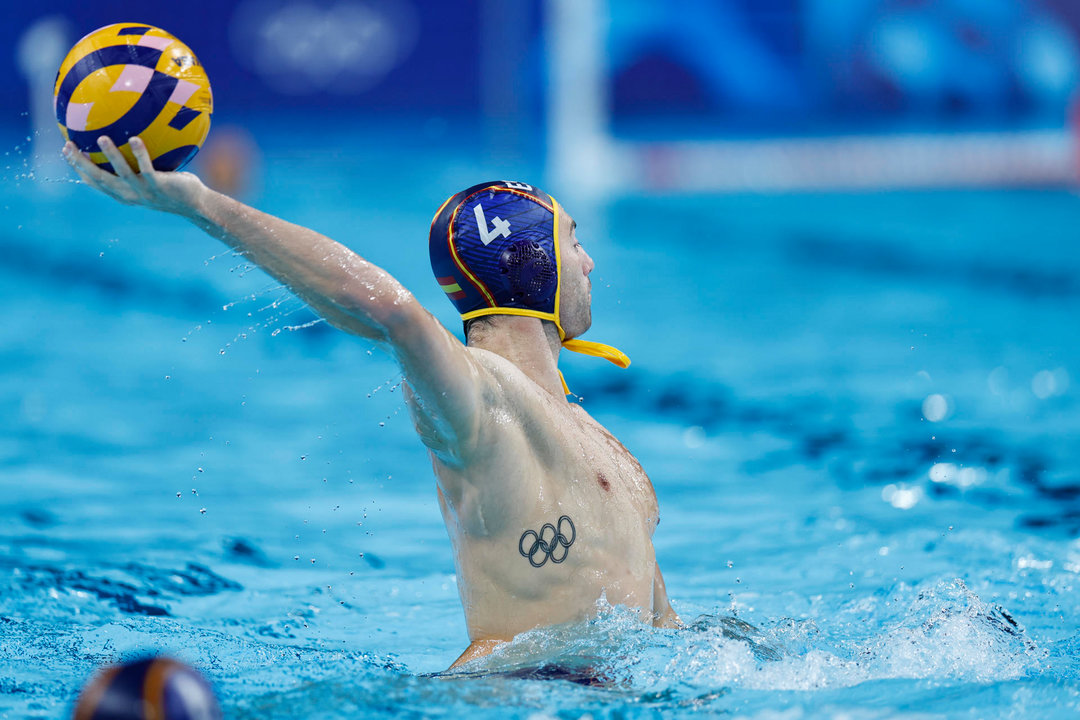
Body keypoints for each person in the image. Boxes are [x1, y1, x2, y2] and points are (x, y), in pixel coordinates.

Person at [63, 135, 681, 670]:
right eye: (573, 242)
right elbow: (393, 314)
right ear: (535, 261)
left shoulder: (598, 439)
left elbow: (663, 633)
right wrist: (199, 203)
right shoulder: (482, 405)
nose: (590, 260)